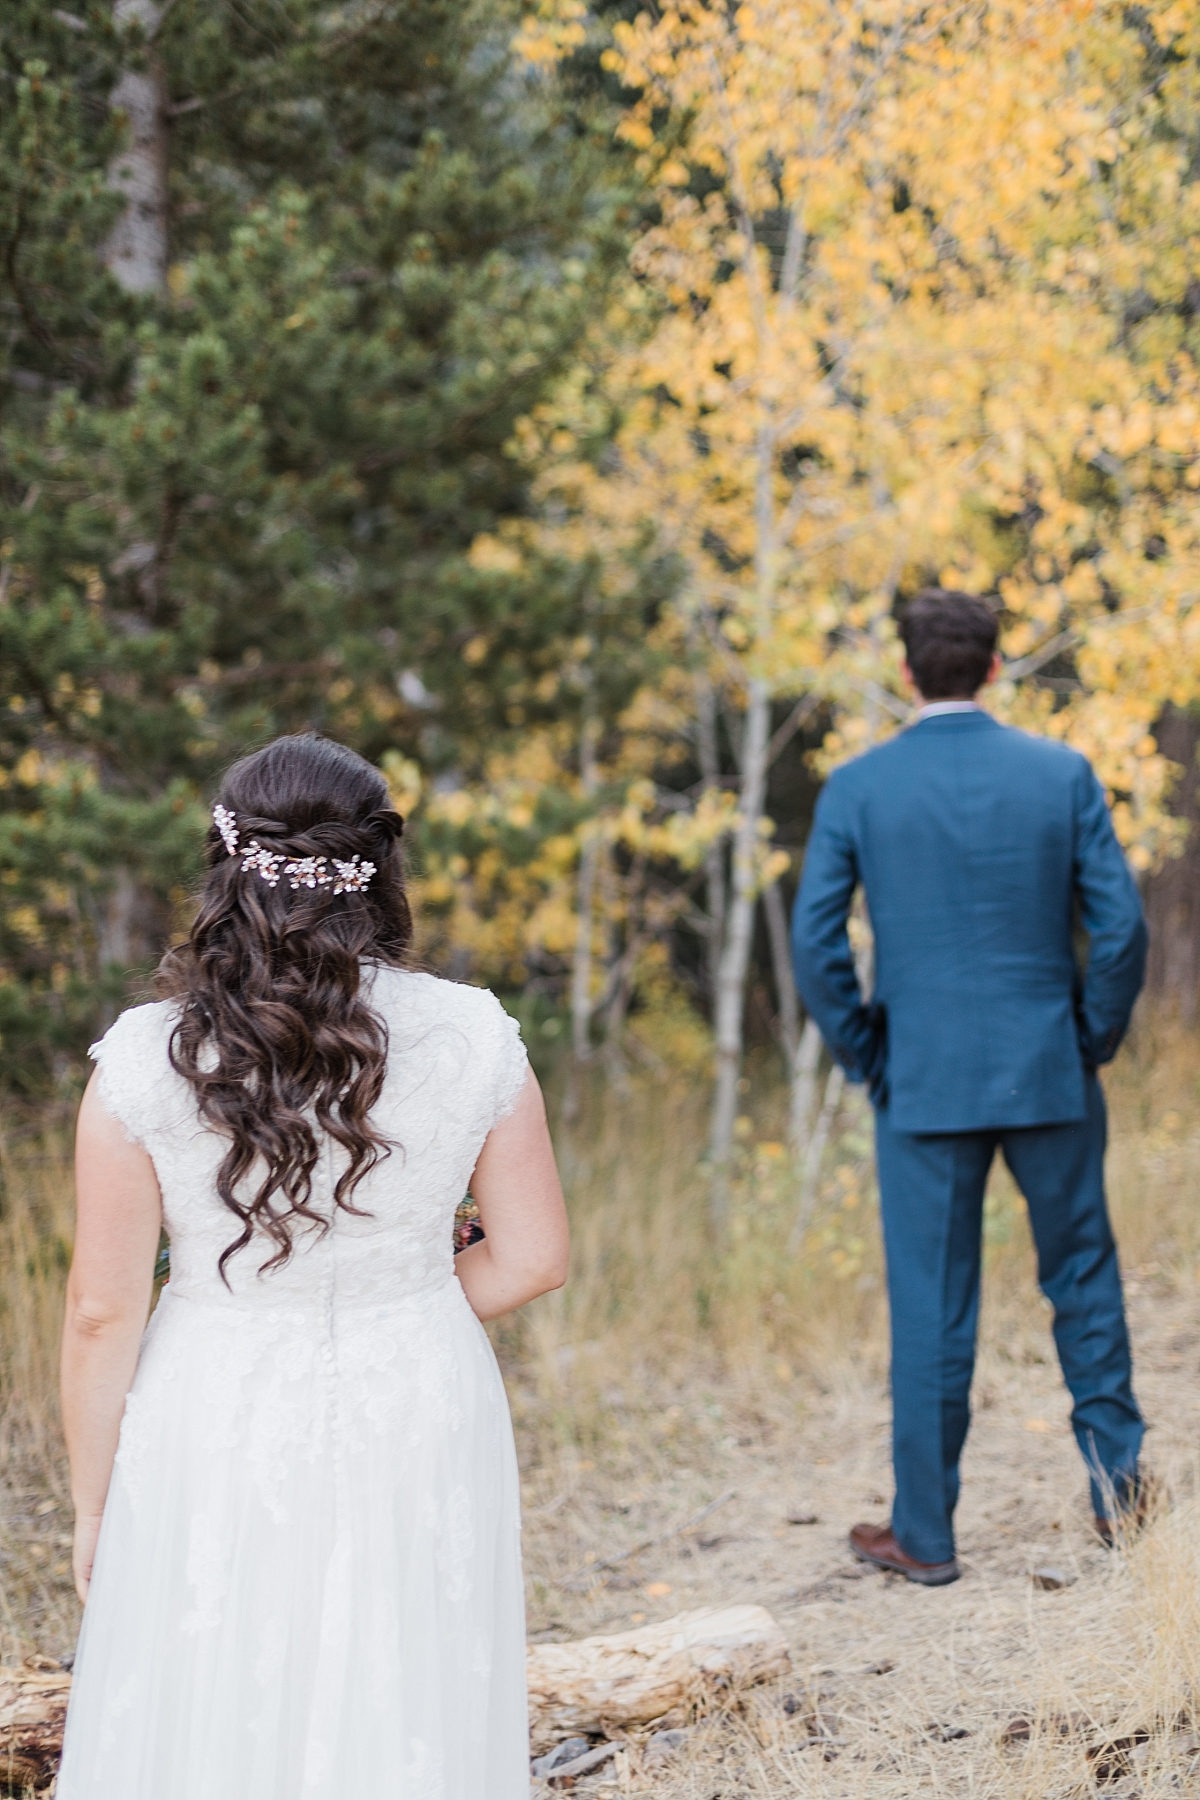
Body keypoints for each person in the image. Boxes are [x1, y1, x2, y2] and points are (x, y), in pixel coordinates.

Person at [57, 734, 569, 1797]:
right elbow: (533, 1258)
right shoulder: (474, 1037)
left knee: (216, 1674)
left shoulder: (149, 1061)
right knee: (408, 1677)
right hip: (420, 1384)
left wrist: (96, 1507)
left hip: (214, 1392)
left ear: (225, 867)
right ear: (381, 868)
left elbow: (102, 1312)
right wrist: (413, 1292)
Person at [792, 589, 1147, 1586]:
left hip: (924, 1086)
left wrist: (867, 1054)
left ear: (909, 673)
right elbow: (1121, 930)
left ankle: (926, 1536)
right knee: (1083, 1277)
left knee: (932, 1306)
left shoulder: (859, 788)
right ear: (995, 668)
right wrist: (1089, 1039)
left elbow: (816, 945)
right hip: (1051, 1072)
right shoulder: (1062, 772)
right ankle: (1120, 1500)